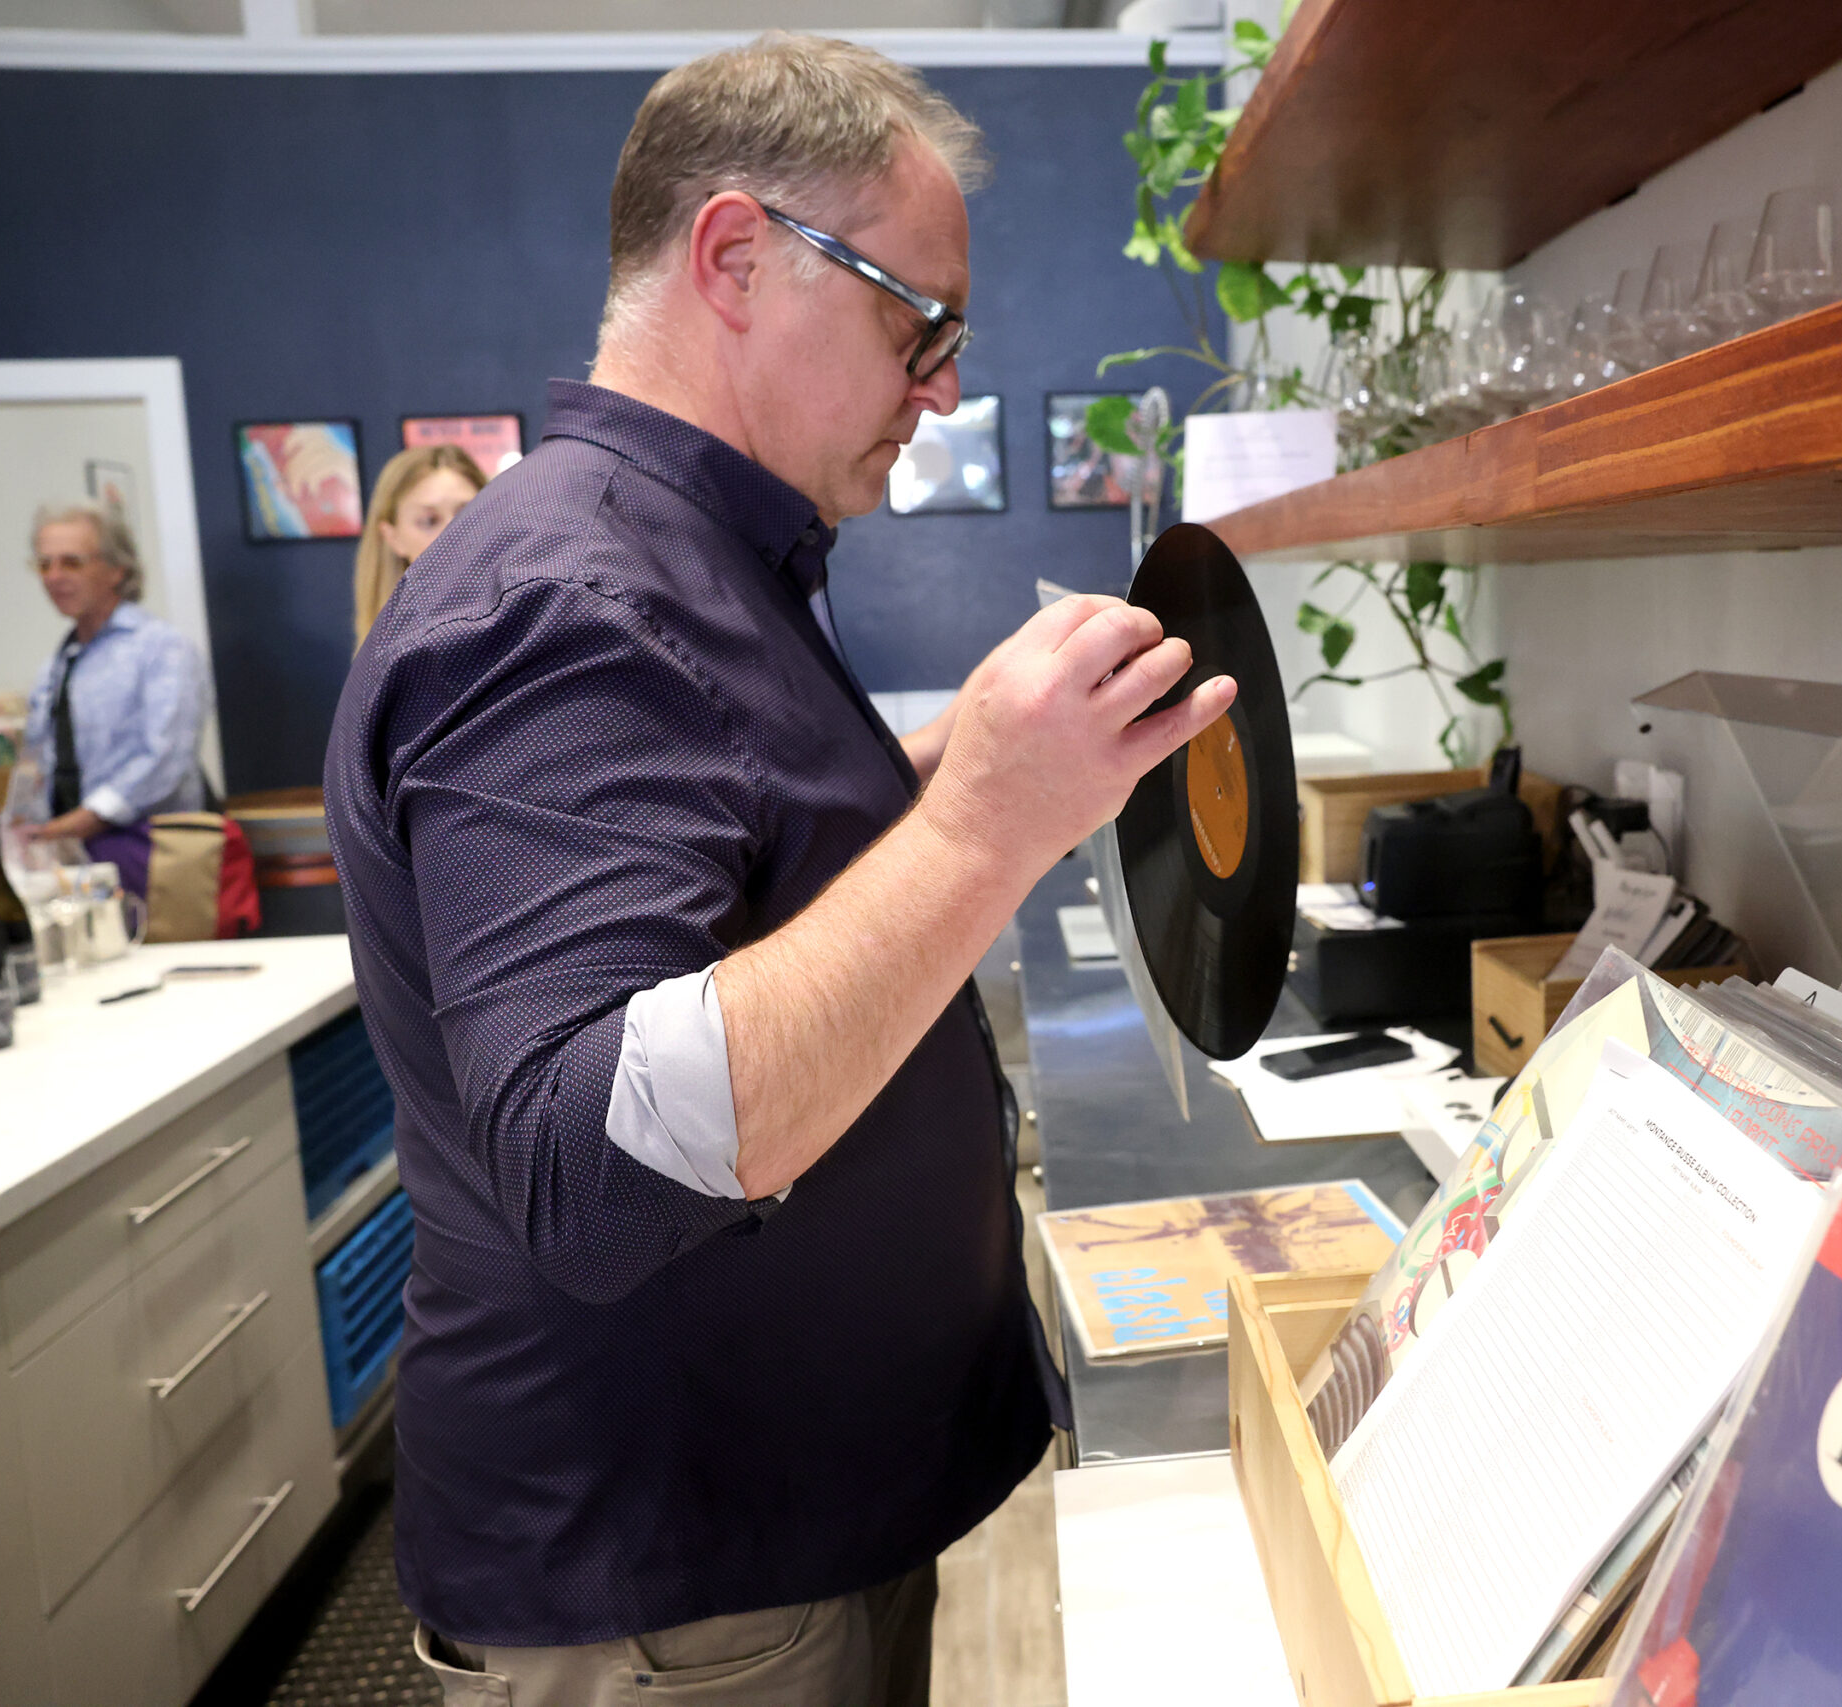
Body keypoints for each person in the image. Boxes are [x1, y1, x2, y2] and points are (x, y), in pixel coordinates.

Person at [324, 33, 1233, 1707]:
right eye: (918, 323)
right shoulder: (569, 603)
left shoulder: (695, 552)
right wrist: (980, 825)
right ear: (737, 257)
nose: (942, 386)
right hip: (673, 1591)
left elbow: (748, 870)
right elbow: (592, 1156)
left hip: (773, 1538)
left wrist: (959, 767)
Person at [21, 503, 210, 846]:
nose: (53, 577)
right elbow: (41, 762)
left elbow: (166, 760)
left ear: (116, 570)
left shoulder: (162, 649)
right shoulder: (58, 664)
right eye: (44, 564)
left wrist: (82, 821)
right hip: (70, 848)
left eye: (71, 562)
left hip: (150, 850)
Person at [352, 444, 488, 644]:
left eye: (469, 515)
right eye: (429, 521)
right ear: (392, 537)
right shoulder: (389, 651)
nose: (454, 534)